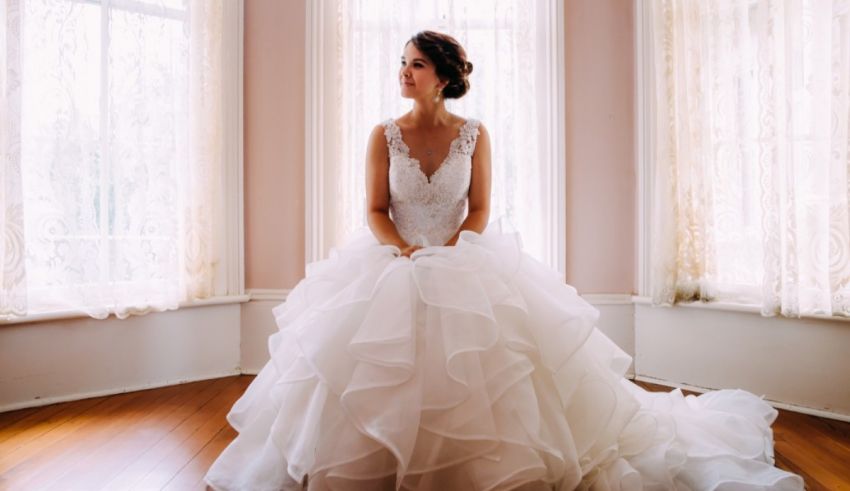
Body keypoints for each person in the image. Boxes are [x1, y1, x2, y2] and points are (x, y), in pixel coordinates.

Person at [204, 31, 805, 491]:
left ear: (443, 77)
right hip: (394, 258)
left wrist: (453, 250)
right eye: (403, 63)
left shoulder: (475, 133)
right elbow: (375, 209)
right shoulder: (383, 134)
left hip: (463, 257)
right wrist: (406, 251)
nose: (404, 72)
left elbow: (481, 208)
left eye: (416, 64)